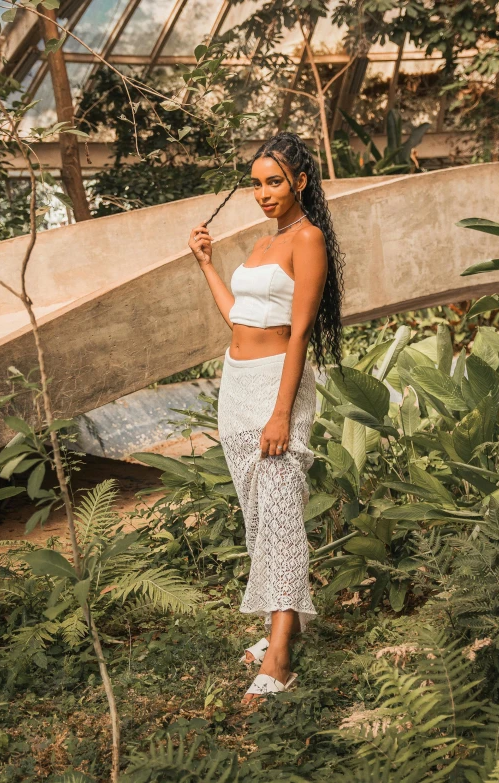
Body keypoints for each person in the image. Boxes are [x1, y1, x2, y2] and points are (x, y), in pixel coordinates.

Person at [188, 131, 345, 704]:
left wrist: (282, 413)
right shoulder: (259, 246)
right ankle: (289, 621)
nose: (263, 193)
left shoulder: (308, 240)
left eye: (274, 181)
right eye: (255, 184)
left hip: (281, 385)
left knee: (279, 507)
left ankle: (279, 655)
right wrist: (207, 264)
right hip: (238, 384)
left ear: (300, 181)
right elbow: (240, 317)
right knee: (258, 509)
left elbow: (299, 331)